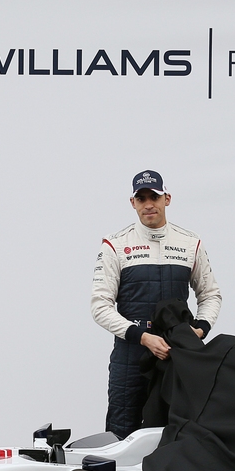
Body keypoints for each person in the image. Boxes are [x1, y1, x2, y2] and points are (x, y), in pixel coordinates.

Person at [91, 170, 222, 440]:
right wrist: (142, 337)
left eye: (155, 196)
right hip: (131, 355)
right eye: (142, 198)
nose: (149, 203)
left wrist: (199, 330)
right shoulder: (115, 244)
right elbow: (100, 306)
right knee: (121, 433)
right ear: (133, 203)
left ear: (167, 199)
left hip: (177, 355)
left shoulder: (190, 243)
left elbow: (210, 295)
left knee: (179, 433)